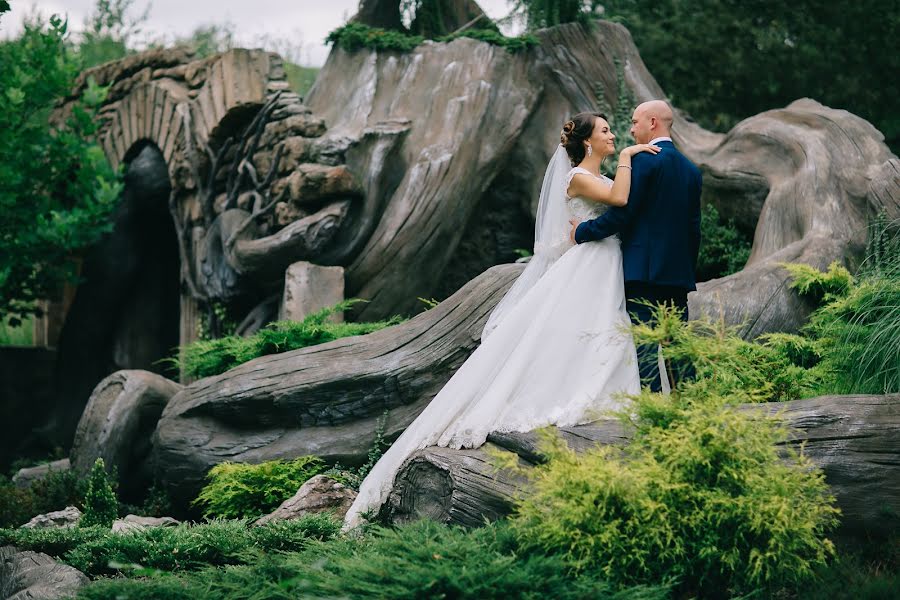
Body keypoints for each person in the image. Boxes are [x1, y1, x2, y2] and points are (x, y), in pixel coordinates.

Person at [342, 112, 659, 530]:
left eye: (613, 132)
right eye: (605, 131)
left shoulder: (589, 173)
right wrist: (633, 153)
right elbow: (620, 200)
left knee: (599, 334)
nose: (613, 134)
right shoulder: (579, 177)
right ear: (586, 142)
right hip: (589, 264)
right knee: (577, 333)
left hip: (601, 263)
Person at [570, 100, 702, 392]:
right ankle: (693, 408)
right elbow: (694, 229)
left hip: (642, 271)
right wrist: (685, 269)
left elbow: (622, 214)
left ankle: (653, 412)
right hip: (676, 275)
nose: (630, 129)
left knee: (643, 347)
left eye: (634, 122)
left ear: (652, 123)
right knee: (679, 346)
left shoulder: (642, 161)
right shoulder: (691, 170)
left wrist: (583, 232)